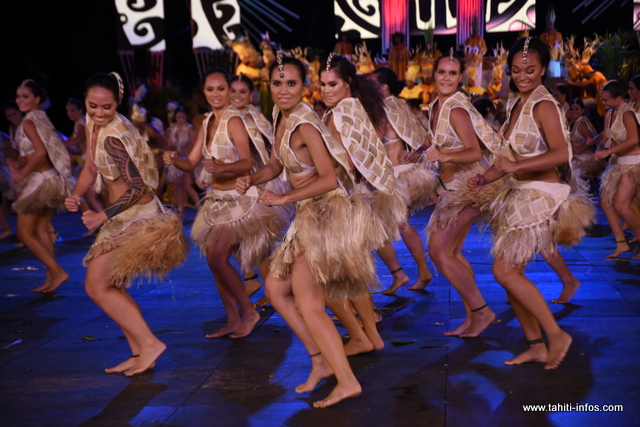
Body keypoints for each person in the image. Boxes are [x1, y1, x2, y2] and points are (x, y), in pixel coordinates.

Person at [237, 54, 372, 407]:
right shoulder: (281, 117)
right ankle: (319, 361)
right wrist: (252, 178)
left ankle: (347, 380)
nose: (284, 90)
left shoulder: (306, 125)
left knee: (309, 304)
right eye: (277, 83)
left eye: (291, 83)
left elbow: (328, 179)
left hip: (325, 215)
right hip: (307, 215)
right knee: (275, 289)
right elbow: (275, 164)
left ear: (303, 87)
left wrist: (284, 199)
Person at [469, 38, 594, 369]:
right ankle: (536, 345)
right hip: (518, 191)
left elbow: (560, 153)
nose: (522, 76)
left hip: (540, 193)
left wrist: (515, 166)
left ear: (542, 70)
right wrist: (485, 177)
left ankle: (556, 334)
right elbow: (506, 157)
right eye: (516, 70)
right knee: (514, 277)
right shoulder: (516, 104)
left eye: (530, 70)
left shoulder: (544, 104)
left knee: (504, 271)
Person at [65, 72, 188, 376]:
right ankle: (139, 352)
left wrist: (101, 215)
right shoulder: (94, 124)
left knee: (96, 286)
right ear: (85, 101)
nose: (99, 112)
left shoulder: (114, 136)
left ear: (117, 103)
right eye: (93, 106)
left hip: (135, 215)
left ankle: (150, 344)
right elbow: (90, 167)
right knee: (113, 285)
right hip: (121, 215)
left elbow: (139, 189)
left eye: (106, 107)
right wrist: (76, 194)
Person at [163, 68, 290, 339]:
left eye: (221, 89)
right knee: (215, 262)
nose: (216, 94)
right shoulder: (207, 121)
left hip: (239, 200)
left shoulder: (234, 121)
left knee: (218, 259)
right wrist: (175, 160)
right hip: (217, 201)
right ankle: (233, 319)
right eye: (210, 89)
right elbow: (192, 162)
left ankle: (249, 312)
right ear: (203, 92)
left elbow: (245, 162)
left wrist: (220, 168)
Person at [320, 54, 405, 355]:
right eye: (322, 85)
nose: (326, 90)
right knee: (350, 274)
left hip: (344, 201)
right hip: (356, 199)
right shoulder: (352, 108)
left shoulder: (341, 114)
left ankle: (363, 334)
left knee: (333, 277)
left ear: (348, 83)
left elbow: (348, 161)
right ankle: (368, 332)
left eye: (332, 84)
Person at [416, 49, 503, 338]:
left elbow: (474, 151)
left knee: (439, 251)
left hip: (468, 187)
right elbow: (435, 144)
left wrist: (444, 155)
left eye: (452, 73)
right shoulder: (436, 106)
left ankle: (482, 311)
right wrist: (416, 154)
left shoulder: (456, 109)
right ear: (434, 74)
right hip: (450, 189)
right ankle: (473, 316)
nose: (446, 78)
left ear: (460, 77)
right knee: (452, 253)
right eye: (442, 72)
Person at [370, 67, 437, 293]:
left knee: (378, 228)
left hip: (395, 177)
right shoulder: (399, 106)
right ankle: (417, 272)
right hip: (407, 173)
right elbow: (424, 142)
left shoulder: (382, 108)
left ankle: (402, 273)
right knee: (401, 225)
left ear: (383, 87)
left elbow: (373, 141)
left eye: (371, 83)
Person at [229, 73, 292, 302]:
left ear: (251, 94)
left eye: (242, 91)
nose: (237, 96)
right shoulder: (227, 116)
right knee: (231, 237)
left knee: (257, 244)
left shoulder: (251, 118)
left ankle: (271, 290)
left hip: (255, 182)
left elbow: (266, 152)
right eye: (233, 91)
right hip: (235, 183)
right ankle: (252, 279)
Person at [7, 80, 74, 293]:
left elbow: (40, 152)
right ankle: (51, 279)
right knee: (42, 230)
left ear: (37, 99)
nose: (20, 100)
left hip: (39, 182)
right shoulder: (41, 118)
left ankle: (58, 272)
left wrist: (21, 173)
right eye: (18, 96)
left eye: (25, 96)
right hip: (50, 178)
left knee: (25, 233)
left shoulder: (28, 122)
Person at [592, 80, 640, 259]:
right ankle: (621, 243)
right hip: (618, 163)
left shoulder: (627, 113)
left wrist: (608, 152)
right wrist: (599, 148)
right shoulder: (610, 113)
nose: (603, 103)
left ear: (618, 97)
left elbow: (633, 140)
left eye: (606, 100)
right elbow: (606, 136)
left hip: (633, 163)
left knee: (621, 205)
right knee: (606, 202)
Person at [164, 106, 199, 216]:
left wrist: (186, 151)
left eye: (183, 117)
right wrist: (166, 151)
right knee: (176, 184)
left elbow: (194, 143)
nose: (181, 120)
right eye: (179, 117)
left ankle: (200, 207)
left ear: (186, 117)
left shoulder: (189, 129)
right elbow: (170, 144)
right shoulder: (172, 129)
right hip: (176, 159)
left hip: (186, 159)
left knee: (187, 185)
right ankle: (180, 208)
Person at [567, 98, 600, 178]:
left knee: (572, 174)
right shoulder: (572, 123)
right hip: (576, 157)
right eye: (572, 109)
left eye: (577, 109)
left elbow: (590, 141)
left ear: (582, 111)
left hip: (585, 158)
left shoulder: (582, 123)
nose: (574, 111)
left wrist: (578, 148)